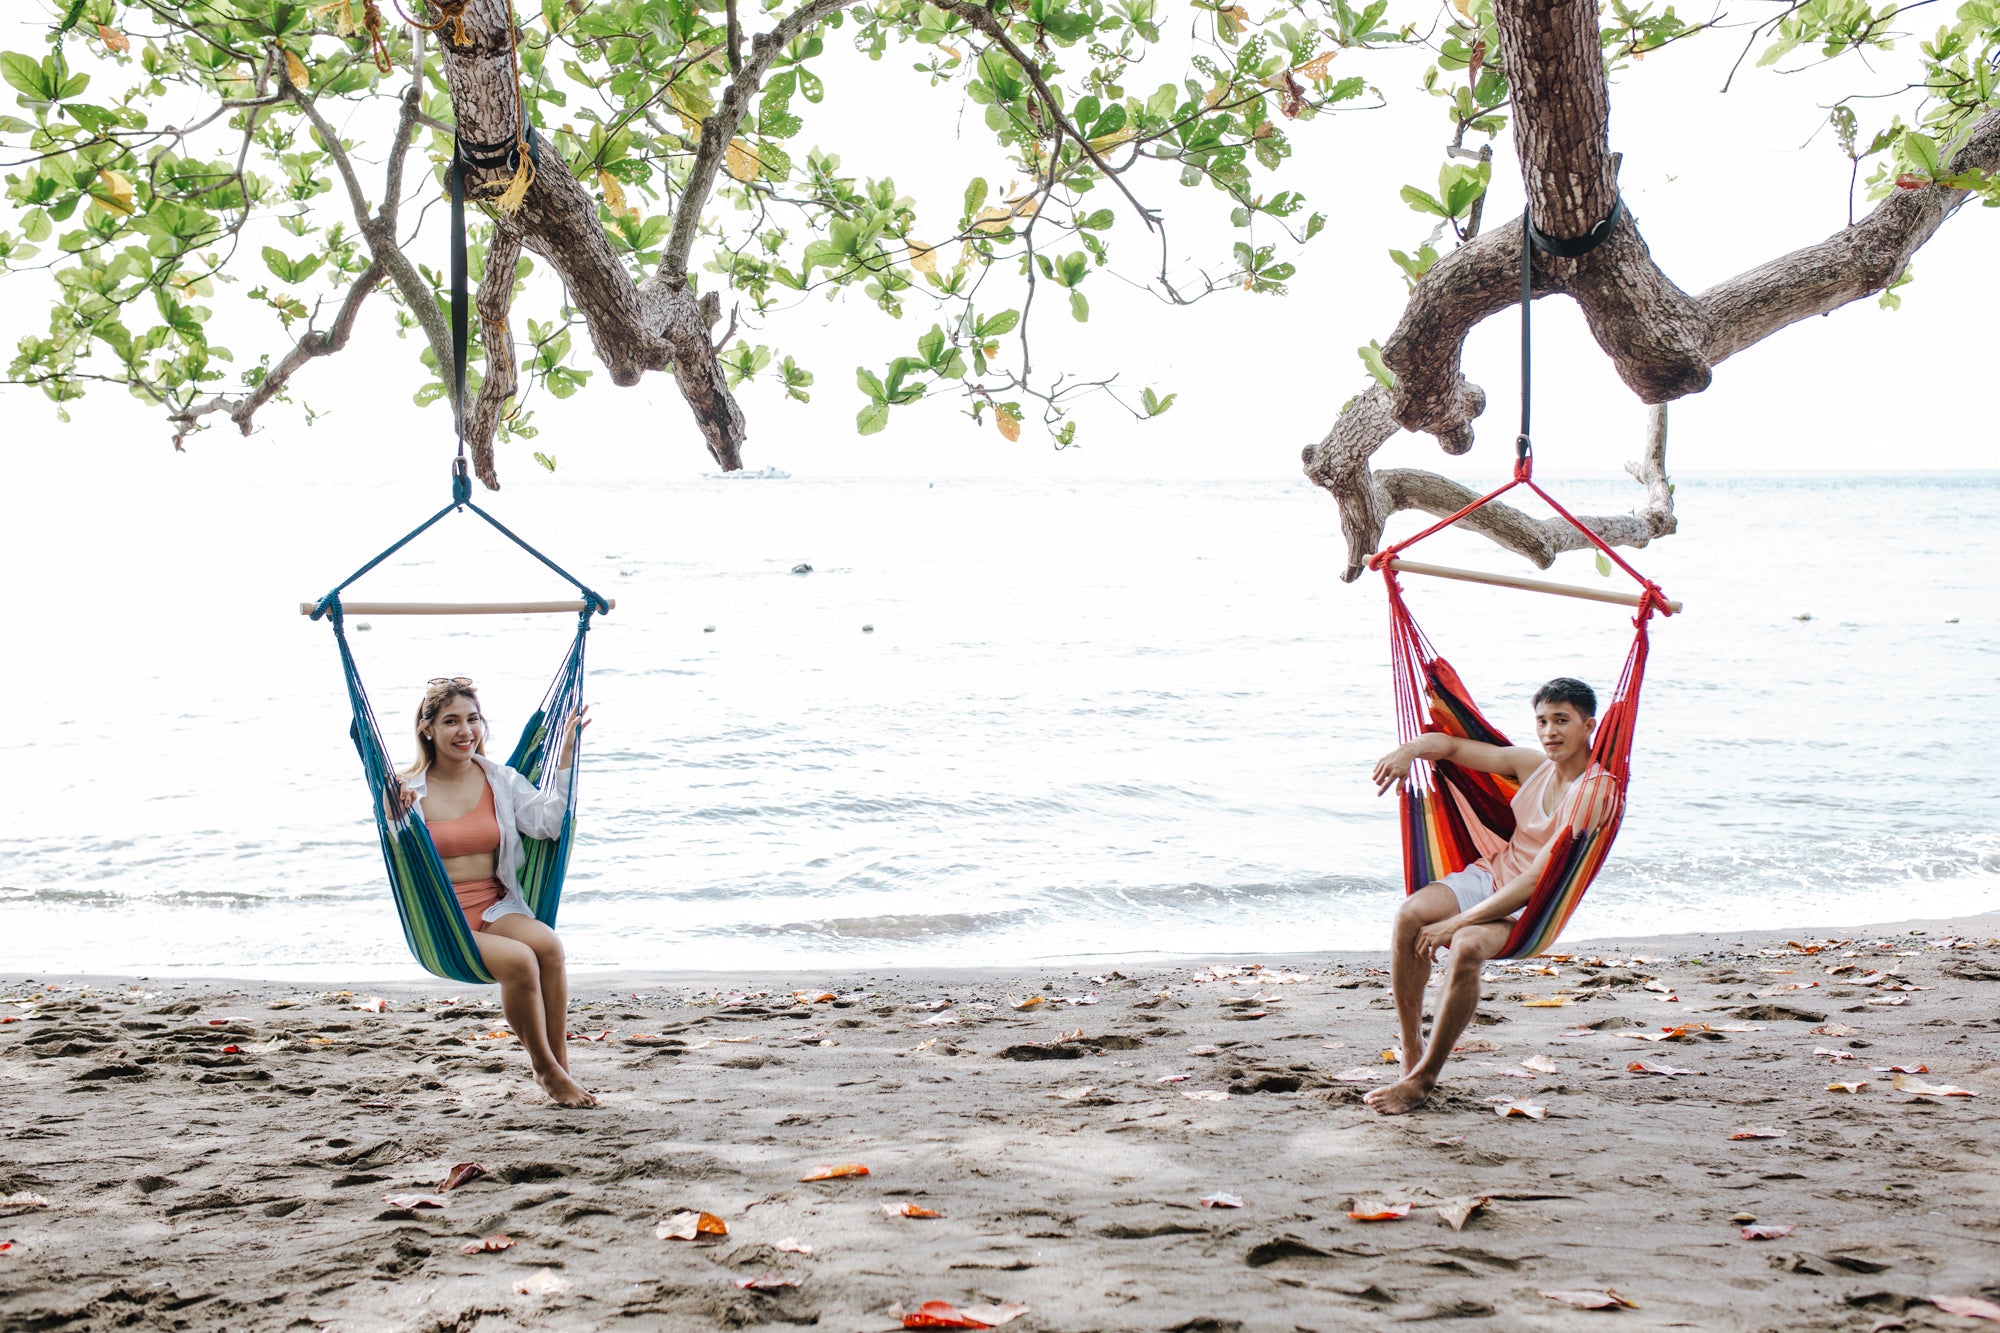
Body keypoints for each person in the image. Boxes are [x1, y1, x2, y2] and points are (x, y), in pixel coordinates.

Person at [1362, 677, 1620, 1116]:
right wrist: (1408, 752)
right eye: (1542, 721)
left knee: (1465, 947)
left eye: (1562, 720)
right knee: (1410, 916)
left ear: (1589, 726)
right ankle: (1411, 1048)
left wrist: (1458, 922)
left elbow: (1537, 880)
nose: (1549, 732)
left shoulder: (1596, 791)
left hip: (1533, 908)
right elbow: (1451, 746)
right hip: (1493, 876)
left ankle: (1423, 1081)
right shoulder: (1531, 766)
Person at [392, 676, 597, 1108]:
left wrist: (564, 761)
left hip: (494, 905)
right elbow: (398, 842)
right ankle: (544, 1070)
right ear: (426, 729)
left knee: (548, 946)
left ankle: (559, 1067)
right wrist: (397, 812)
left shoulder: (499, 778)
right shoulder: (408, 788)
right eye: (451, 721)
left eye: (473, 719)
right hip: (445, 921)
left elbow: (549, 824)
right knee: (521, 961)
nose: (465, 731)